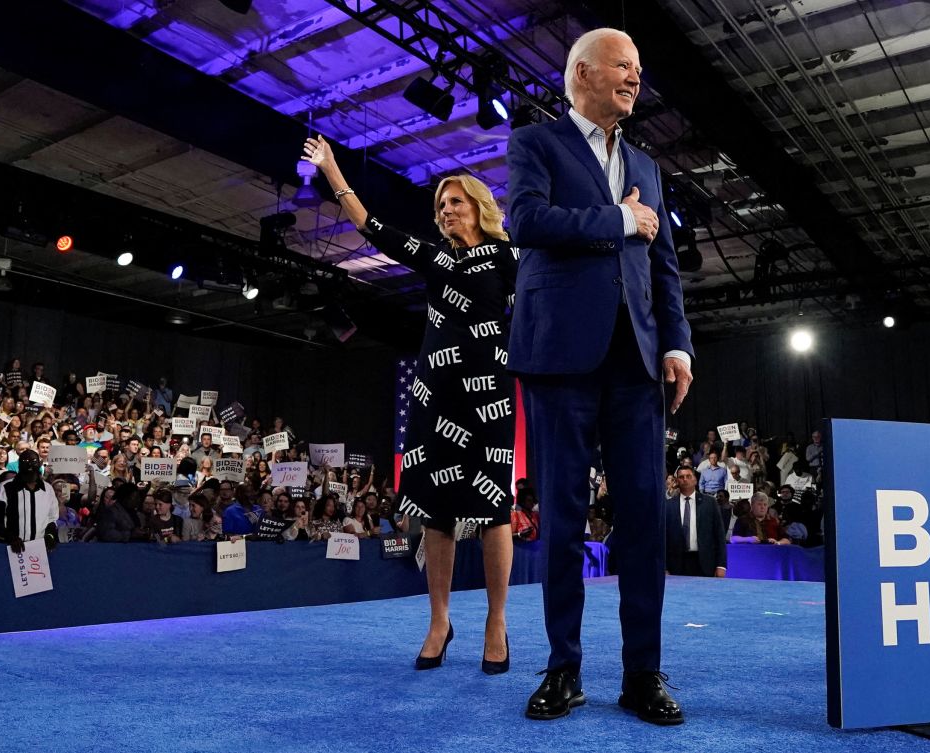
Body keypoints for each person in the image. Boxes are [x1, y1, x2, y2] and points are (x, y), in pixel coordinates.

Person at [506, 27, 693, 724]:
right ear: (582, 71)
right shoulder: (536, 143)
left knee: (644, 517)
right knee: (560, 519)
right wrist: (618, 218)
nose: (635, 78)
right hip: (560, 357)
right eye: (623, 65)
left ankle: (644, 672)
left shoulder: (647, 164)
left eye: (639, 69)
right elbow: (524, 220)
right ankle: (564, 668)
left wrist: (678, 346)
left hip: (639, 363)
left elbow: (665, 267)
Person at [304, 134, 517, 675]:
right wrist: (333, 169)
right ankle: (439, 622)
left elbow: (546, 299)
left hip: (489, 394)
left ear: (479, 206)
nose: (446, 210)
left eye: (456, 202)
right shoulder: (434, 256)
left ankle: (497, 622)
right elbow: (370, 226)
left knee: (493, 512)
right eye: (441, 204)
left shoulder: (507, 255)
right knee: (437, 512)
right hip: (434, 395)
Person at [0, 449, 59, 553]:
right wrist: (10, 537)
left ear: (39, 464)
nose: (30, 464)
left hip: (40, 551)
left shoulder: (48, 489)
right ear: (19, 464)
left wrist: (50, 536)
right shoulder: (6, 487)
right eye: (25, 461)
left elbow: (52, 519)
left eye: (33, 461)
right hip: (10, 549)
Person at [664, 467, 726, 578]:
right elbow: (663, 539)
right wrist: (664, 567)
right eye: (681, 477)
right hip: (676, 564)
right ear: (677, 481)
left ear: (695, 480)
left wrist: (721, 565)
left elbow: (719, 535)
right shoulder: (668, 506)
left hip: (705, 563)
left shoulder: (710, 503)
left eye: (688, 476)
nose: (685, 479)